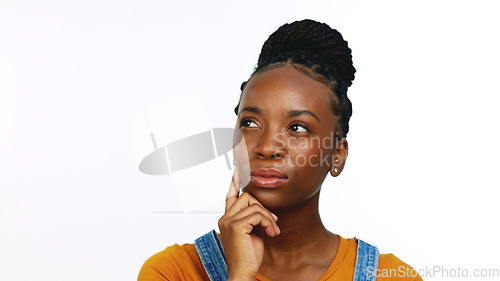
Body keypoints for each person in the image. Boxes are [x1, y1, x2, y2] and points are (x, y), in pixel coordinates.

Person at [138, 19, 423, 281]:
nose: (266, 147)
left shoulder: (389, 275)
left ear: (337, 155)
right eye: (250, 123)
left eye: (297, 127)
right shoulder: (173, 271)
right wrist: (240, 274)